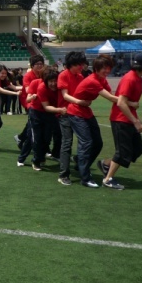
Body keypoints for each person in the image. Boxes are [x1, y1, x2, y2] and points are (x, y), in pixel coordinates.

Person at [67, 55, 124, 188]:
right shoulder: (92, 81)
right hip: (76, 112)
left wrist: (122, 99)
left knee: (97, 143)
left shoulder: (102, 79)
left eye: (109, 68)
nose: (107, 71)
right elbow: (111, 98)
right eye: (104, 68)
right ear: (97, 68)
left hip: (86, 112)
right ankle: (85, 177)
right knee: (86, 142)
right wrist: (129, 102)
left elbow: (112, 94)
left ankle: (80, 163)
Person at [98, 53, 142, 190]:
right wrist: (136, 121)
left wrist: (134, 115)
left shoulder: (138, 78)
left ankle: (106, 164)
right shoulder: (130, 78)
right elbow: (121, 102)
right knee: (123, 152)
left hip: (128, 118)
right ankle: (108, 179)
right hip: (120, 119)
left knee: (137, 149)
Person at [18, 68, 66, 169]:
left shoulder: (59, 87)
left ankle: (40, 157)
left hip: (50, 114)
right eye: (51, 81)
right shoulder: (39, 85)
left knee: (46, 138)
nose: (53, 83)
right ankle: (32, 160)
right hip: (36, 113)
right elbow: (43, 105)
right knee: (35, 138)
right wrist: (60, 110)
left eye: (55, 80)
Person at [56, 51, 89, 186]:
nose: (81, 67)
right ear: (71, 64)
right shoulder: (63, 75)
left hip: (77, 113)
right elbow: (65, 95)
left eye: (82, 64)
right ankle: (63, 174)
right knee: (67, 142)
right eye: (78, 64)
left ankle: (79, 163)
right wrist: (80, 102)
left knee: (87, 141)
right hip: (65, 113)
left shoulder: (80, 77)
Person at [14, 55, 45, 147]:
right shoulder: (28, 76)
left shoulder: (43, 74)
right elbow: (28, 90)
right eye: (37, 64)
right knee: (34, 119)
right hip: (27, 99)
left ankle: (21, 138)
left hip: (38, 98)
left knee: (34, 122)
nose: (40, 66)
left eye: (41, 64)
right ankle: (27, 141)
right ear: (32, 65)